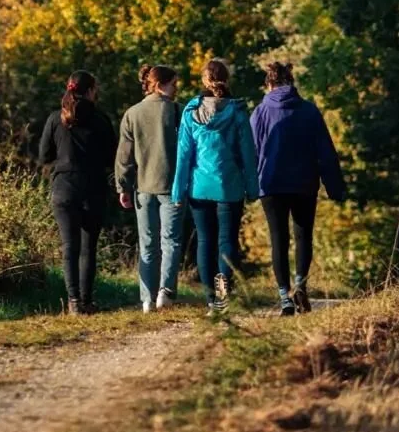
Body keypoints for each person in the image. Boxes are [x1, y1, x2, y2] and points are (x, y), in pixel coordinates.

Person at [251, 58, 346, 316]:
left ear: (268, 84)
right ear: (291, 82)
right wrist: (334, 186)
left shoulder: (259, 113)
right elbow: (325, 152)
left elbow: (252, 152)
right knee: (304, 236)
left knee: (278, 240)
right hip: (304, 182)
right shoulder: (309, 110)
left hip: (270, 184)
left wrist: (249, 186)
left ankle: (284, 298)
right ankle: (301, 285)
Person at [171, 57, 259, 314]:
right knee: (227, 241)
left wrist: (178, 191)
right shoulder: (238, 111)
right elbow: (248, 154)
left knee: (205, 241)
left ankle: (211, 300)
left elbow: (183, 155)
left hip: (199, 188)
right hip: (229, 187)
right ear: (227, 79)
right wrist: (253, 189)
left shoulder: (191, 111)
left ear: (204, 81)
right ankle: (223, 297)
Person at [38, 69, 117, 315]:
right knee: (88, 247)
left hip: (64, 188)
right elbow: (111, 156)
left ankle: (72, 302)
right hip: (93, 187)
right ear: (91, 90)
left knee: (69, 246)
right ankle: (86, 299)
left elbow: (44, 156)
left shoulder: (55, 118)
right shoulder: (101, 119)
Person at [115, 63, 183, 313]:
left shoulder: (132, 113)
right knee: (171, 242)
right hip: (172, 186)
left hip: (143, 187)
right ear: (161, 84)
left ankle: (146, 298)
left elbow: (124, 155)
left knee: (147, 243)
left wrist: (123, 186)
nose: (176, 89)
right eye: (174, 83)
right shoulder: (177, 111)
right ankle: (165, 292)